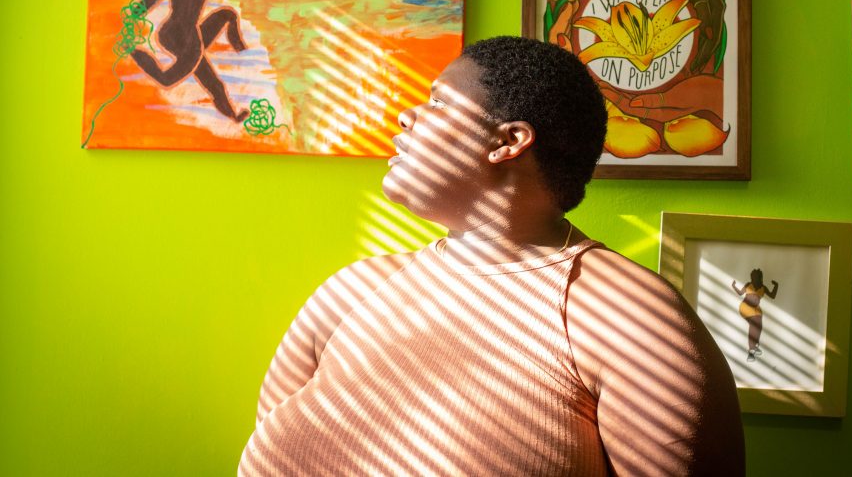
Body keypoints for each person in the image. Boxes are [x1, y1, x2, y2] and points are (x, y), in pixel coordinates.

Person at [238, 36, 744, 476]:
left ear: (508, 141)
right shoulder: (352, 291)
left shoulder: (628, 317)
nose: (406, 115)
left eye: (437, 103)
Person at [731, 269, 778, 362]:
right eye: (753, 277)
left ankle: (755, 346)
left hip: (756, 310)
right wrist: (734, 286)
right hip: (746, 308)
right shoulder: (749, 284)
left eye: (757, 277)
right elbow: (740, 293)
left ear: (760, 278)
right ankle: (751, 351)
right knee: (754, 326)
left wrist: (776, 286)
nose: (755, 279)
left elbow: (772, 295)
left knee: (759, 327)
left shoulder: (763, 288)